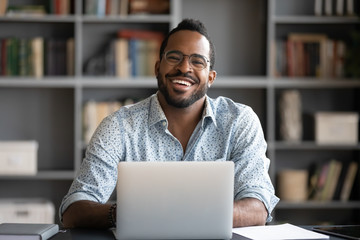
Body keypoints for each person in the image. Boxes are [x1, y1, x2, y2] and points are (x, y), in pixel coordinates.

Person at [60, 18, 279, 229]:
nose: (184, 67)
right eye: (174, 57)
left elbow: (258, 206)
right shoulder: (118, 126)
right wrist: (124, 213)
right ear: (157, 68)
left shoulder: (239, 121)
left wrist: (185, 215)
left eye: (197, 61)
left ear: (210, 78)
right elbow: (74, 210)